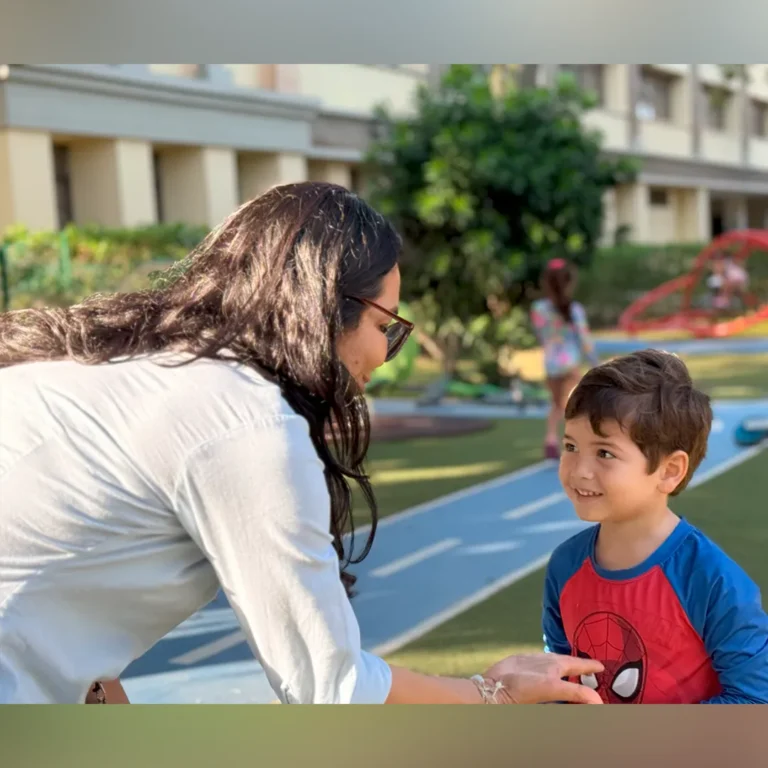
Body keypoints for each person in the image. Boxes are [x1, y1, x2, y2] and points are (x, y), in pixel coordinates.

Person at [0, 181, 604, 705]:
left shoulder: (139, 367)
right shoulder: (243, 420)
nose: (381, 357)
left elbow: (54, 587)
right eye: (383, 326)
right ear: (321, 307)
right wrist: (489, 693)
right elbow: (334, 691)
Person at [541, 349, 768, 704]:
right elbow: (558, 681)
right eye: (571, 446)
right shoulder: (565, 566)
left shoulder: (711, 579)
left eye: (604, 453)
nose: (579, 470)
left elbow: (755, 700)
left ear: (669, 471)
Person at [530, 258, 599, 460]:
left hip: (551, 362)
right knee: (572, 405)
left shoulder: (538, 309)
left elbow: (541, 333)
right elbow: (584, 339)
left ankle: (550, 439)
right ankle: (573, 443)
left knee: (556, 404)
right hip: (570, 362)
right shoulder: (574, 310)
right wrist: (594, 363)